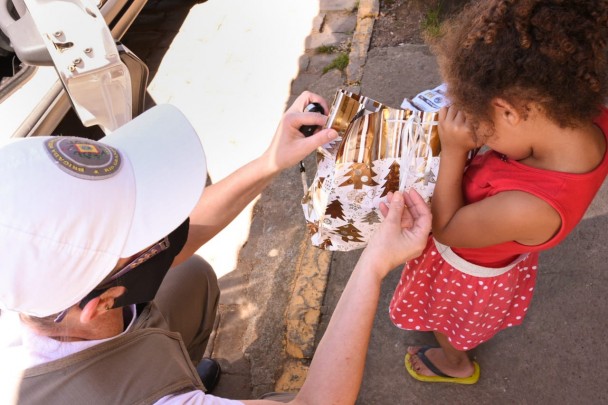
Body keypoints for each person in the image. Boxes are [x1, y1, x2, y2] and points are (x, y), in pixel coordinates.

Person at [0, 91, 432, 404]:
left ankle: (180, 376)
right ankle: (183, 391)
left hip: (121, 354)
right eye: (144, 230)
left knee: (190, 276)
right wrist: (374, 263)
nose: (167, 227)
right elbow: (321, 401)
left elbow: (176, 242)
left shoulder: (38, 289)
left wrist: (270, 162)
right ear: (100, 302)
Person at [388, 0, 608, 385]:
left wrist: (456, 150)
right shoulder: (584, 118)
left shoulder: (528, 208)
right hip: (493, 240)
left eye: (480, 120)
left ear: (508, 111)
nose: (477, 129)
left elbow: (448, 228)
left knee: (449, 323)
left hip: (468, 273)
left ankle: (455, 362)